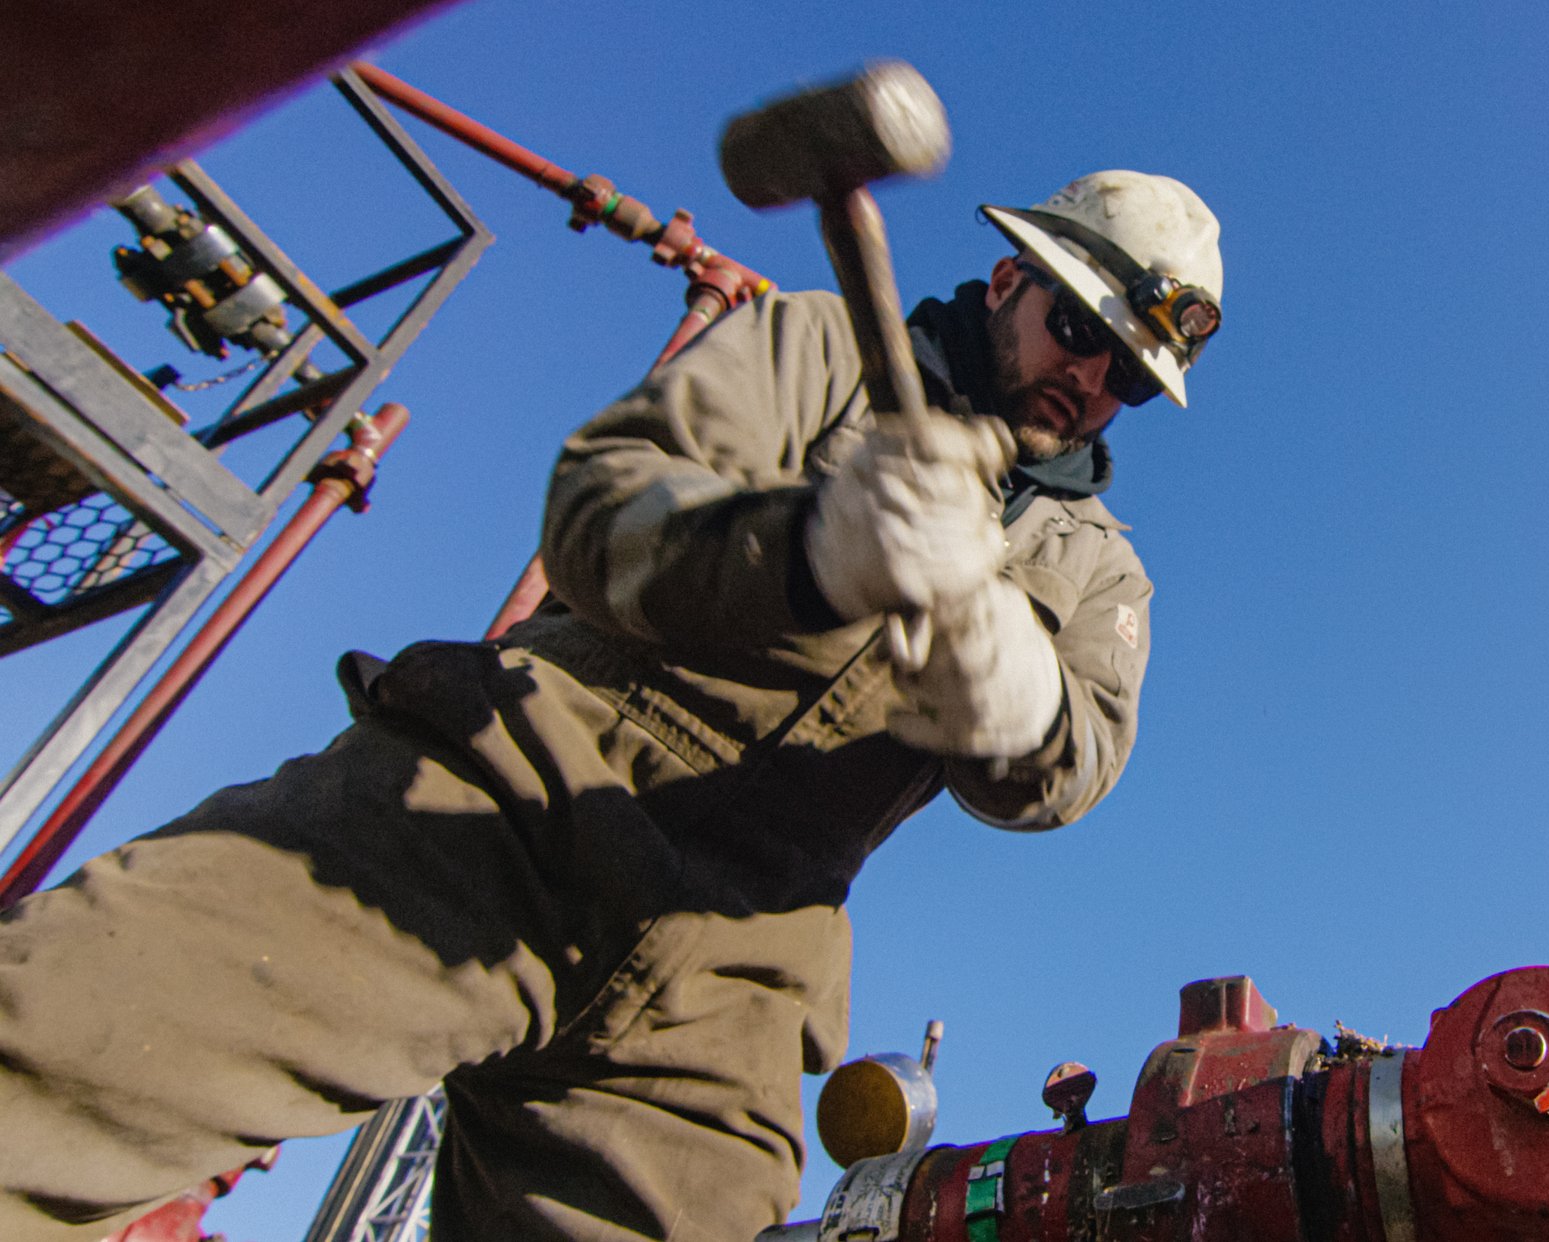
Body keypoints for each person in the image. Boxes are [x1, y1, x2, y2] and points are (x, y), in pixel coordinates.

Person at [0, 169, 1224, 1242]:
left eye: (1124, 369)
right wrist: (813, 549)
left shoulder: (1096, 570)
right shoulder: (820, 353)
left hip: (733, 965)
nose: (1089, 376)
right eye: (1076, 327)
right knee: (64, 1062)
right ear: (1009, 277)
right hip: (505, 797)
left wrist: (997, 671)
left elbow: (1071, 770)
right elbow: (600, 512)